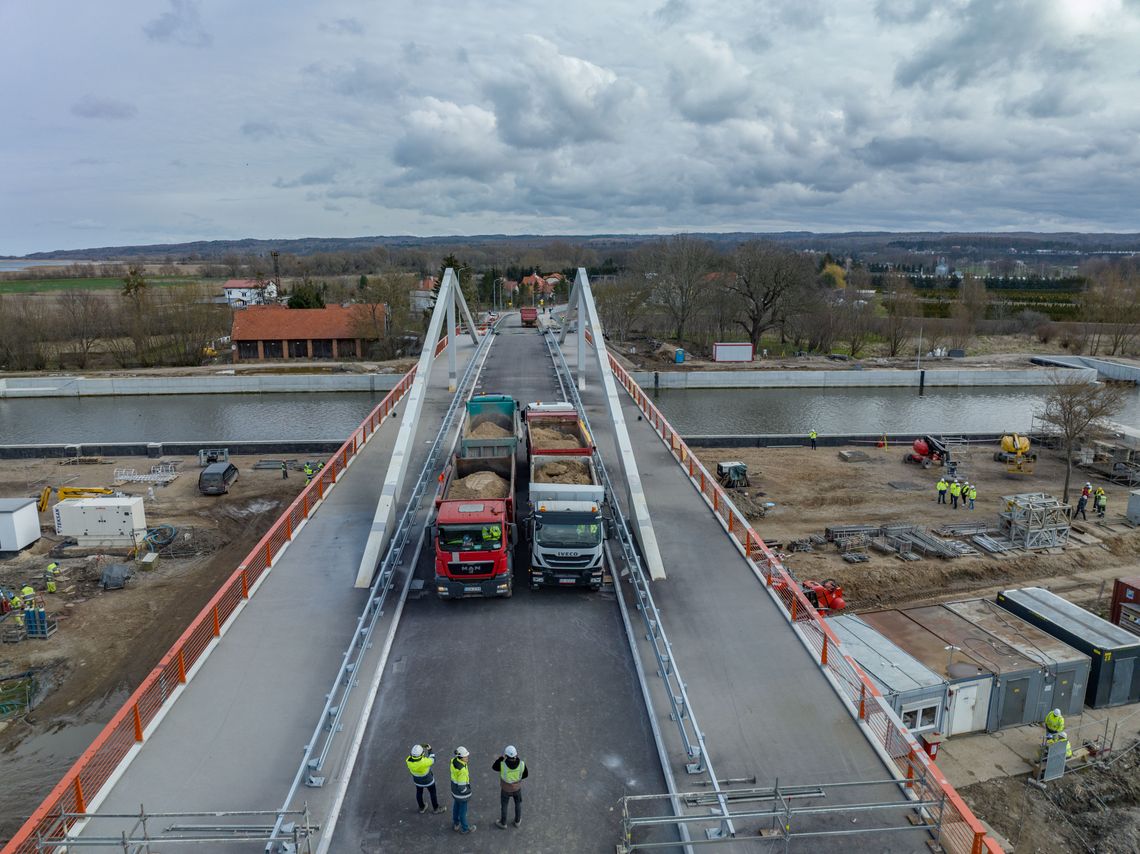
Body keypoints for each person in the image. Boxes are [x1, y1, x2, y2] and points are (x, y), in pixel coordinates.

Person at [493, 745, 529, 829]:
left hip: (505, 789)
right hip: (517, 789)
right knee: (518, 804)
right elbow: (525, 775)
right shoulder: (521, 764)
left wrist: (500, 759)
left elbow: (494, 767)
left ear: (506, 755)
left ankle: (503, 823)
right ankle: (517, 821)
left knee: (504, 806)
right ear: (516, 755)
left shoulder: (502, 764)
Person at [405, 743, 444, 815]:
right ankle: (436, 808)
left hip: (417, 780)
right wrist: (430, 750)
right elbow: (433, 759)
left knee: (419, 792)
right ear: (422, 754)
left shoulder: (408, 760)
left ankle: (421, 807)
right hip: (428, 780)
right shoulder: (424, 761)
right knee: (432, 793)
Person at [450, 746, 475, 834]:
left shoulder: (453, 761)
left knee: (456, 806)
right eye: (465, 756)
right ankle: (465, 828)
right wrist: (468, 791)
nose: (467, 757)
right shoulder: (462, 770)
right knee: (463, 812)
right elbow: (461, 788)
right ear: (460, 757)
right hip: (461, 794)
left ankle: (456, 823)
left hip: (454, 790)